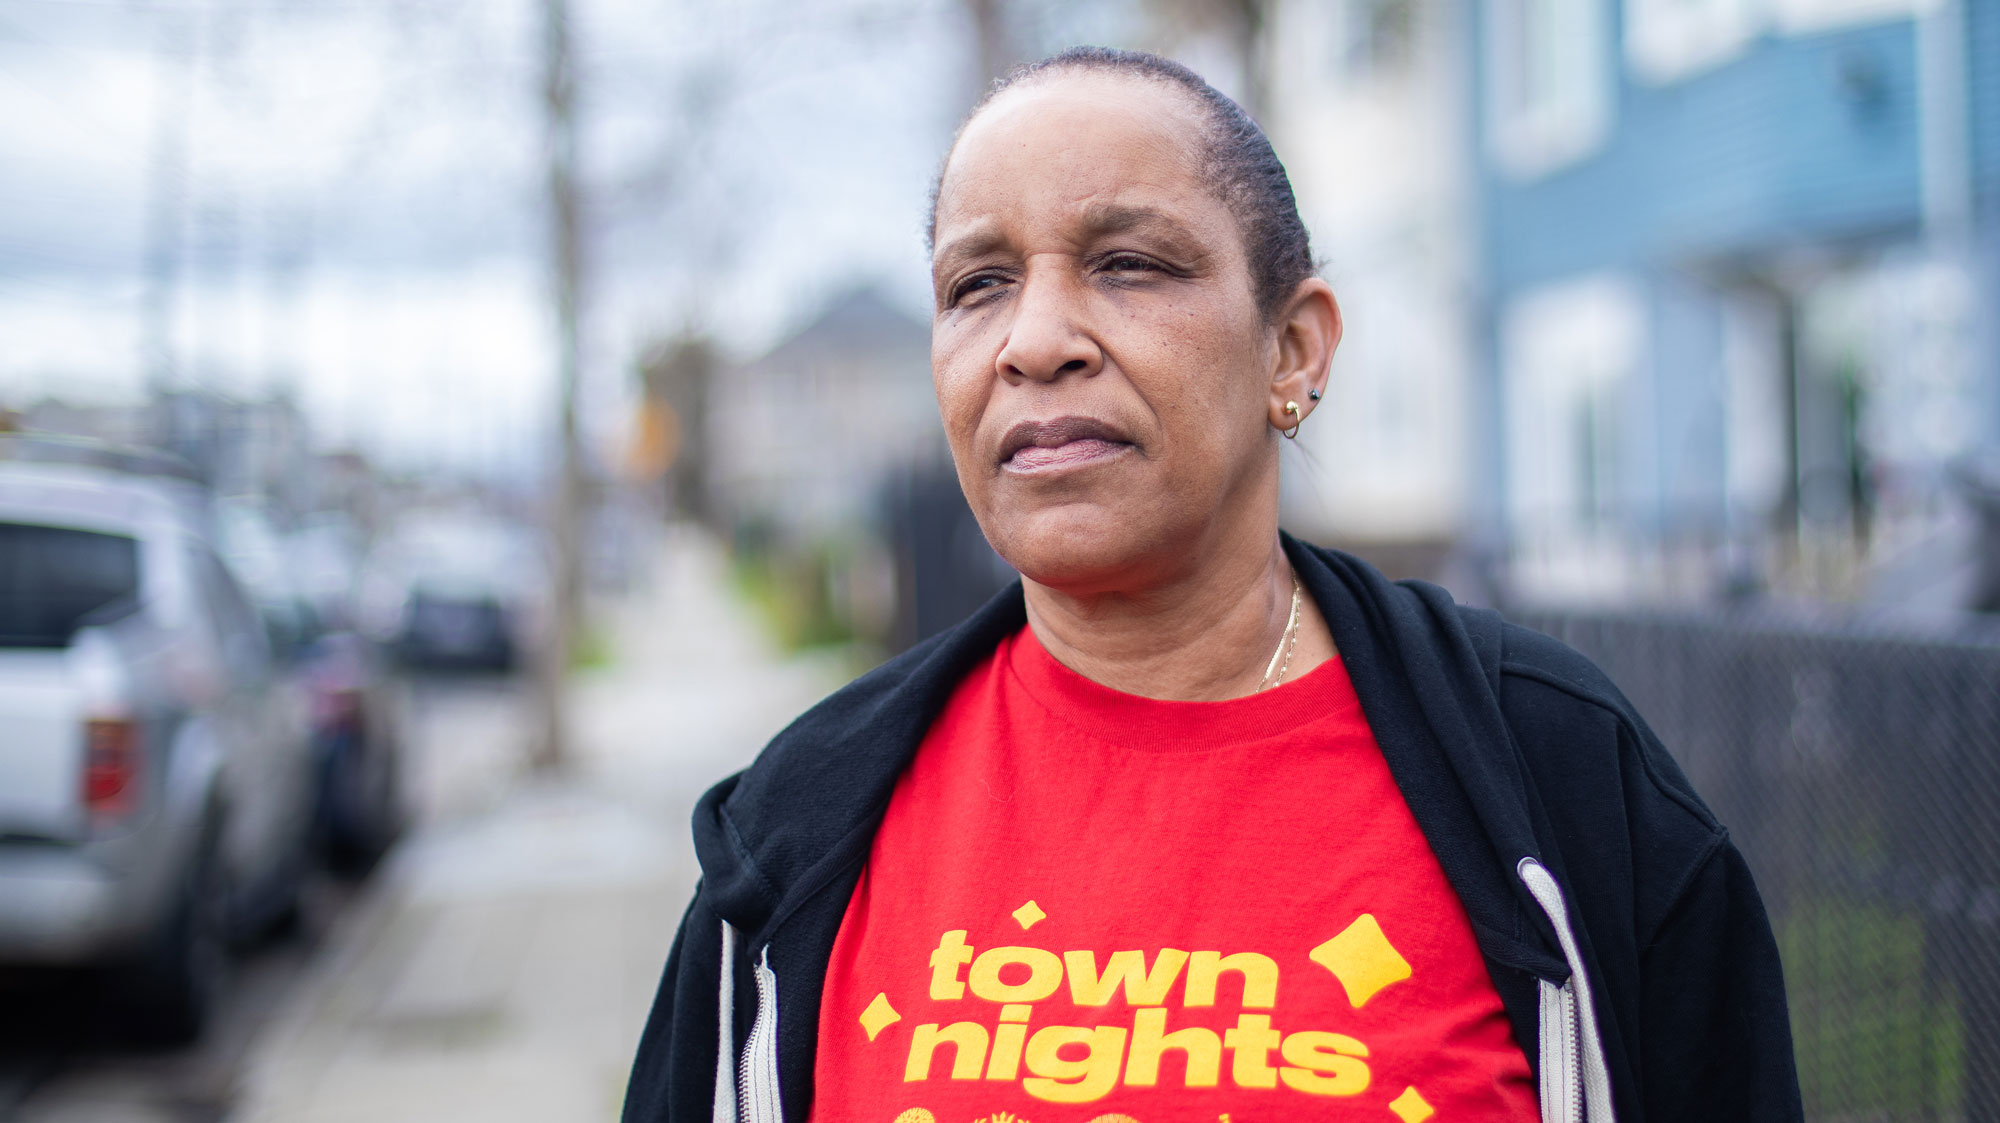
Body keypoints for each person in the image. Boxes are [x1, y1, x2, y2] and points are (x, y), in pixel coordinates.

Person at [624, 47, 1802, 1123]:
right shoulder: (798, 829)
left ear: (1291, 348)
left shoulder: (1557, 778)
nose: (1035, 340)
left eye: (1127, 264)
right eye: (976, 284)